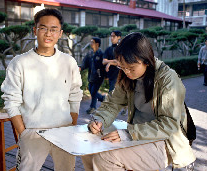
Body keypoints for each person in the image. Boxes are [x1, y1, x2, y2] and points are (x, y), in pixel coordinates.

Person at [82, 32, 196, 171]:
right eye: (122, 67)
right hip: (137, 134)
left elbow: (169, 124)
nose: (126, 72)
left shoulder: (167, 79)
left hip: (165, 142)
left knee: (107, 157)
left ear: (146, 61)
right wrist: (99, 120)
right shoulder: (127, 76)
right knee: (89, 148)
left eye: (131, 68)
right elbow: (112, 103)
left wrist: (129, 133)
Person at [1, 8, 83, 171]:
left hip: (64, 131)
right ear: (35, 30)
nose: (48, 34)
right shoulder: (19, 62)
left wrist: (71, 126)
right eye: (43, 28)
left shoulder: (69, 62)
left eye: (53, 29)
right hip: (32, 132)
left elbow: (75, 96)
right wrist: (23, 132)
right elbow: (11, 101)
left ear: (60, 33)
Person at [103, 30, 127, 115]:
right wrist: (112, 62)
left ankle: (112, 110)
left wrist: (109, 62)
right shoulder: (108, 49)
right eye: (111, 36)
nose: (111, 38)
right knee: (114, 91)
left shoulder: (121, 49)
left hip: (121, 73)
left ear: (119, 37)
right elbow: (103, 61)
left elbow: (120, 62)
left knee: (116, 92)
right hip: (111, 74)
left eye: (114, 36)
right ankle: (113, 109)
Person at [80, 37, 105, 114]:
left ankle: (92, 107)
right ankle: (102, 98)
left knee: (94, 92)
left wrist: (106, 75)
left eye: (92, 42)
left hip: (99, 77)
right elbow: (85, 63)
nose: (90, 43)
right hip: (91, 77)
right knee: (91, 90)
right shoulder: (90, 53)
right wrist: (80, 67)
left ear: (97, 44)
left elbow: (104, 66)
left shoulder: (101, 54)